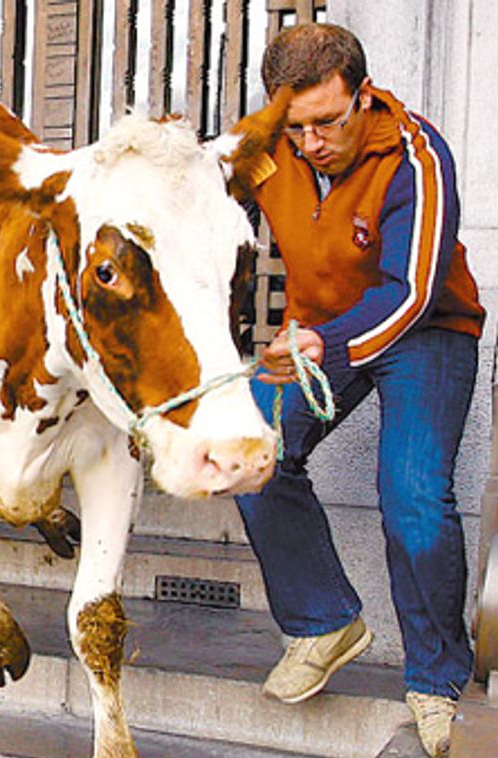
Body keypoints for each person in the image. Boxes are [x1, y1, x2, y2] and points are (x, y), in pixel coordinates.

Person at [237, 23, 484, 757]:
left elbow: (410, 293)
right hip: (320, 329)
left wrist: (324, 342)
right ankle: (322, 622)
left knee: (413, 499)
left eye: (326, 123)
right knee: (254, 450)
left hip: (427, 331)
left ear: (363, 97)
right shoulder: (264, 149)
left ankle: (437, 681)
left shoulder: (415, 153)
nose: (310, 143)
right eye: (295, 127)